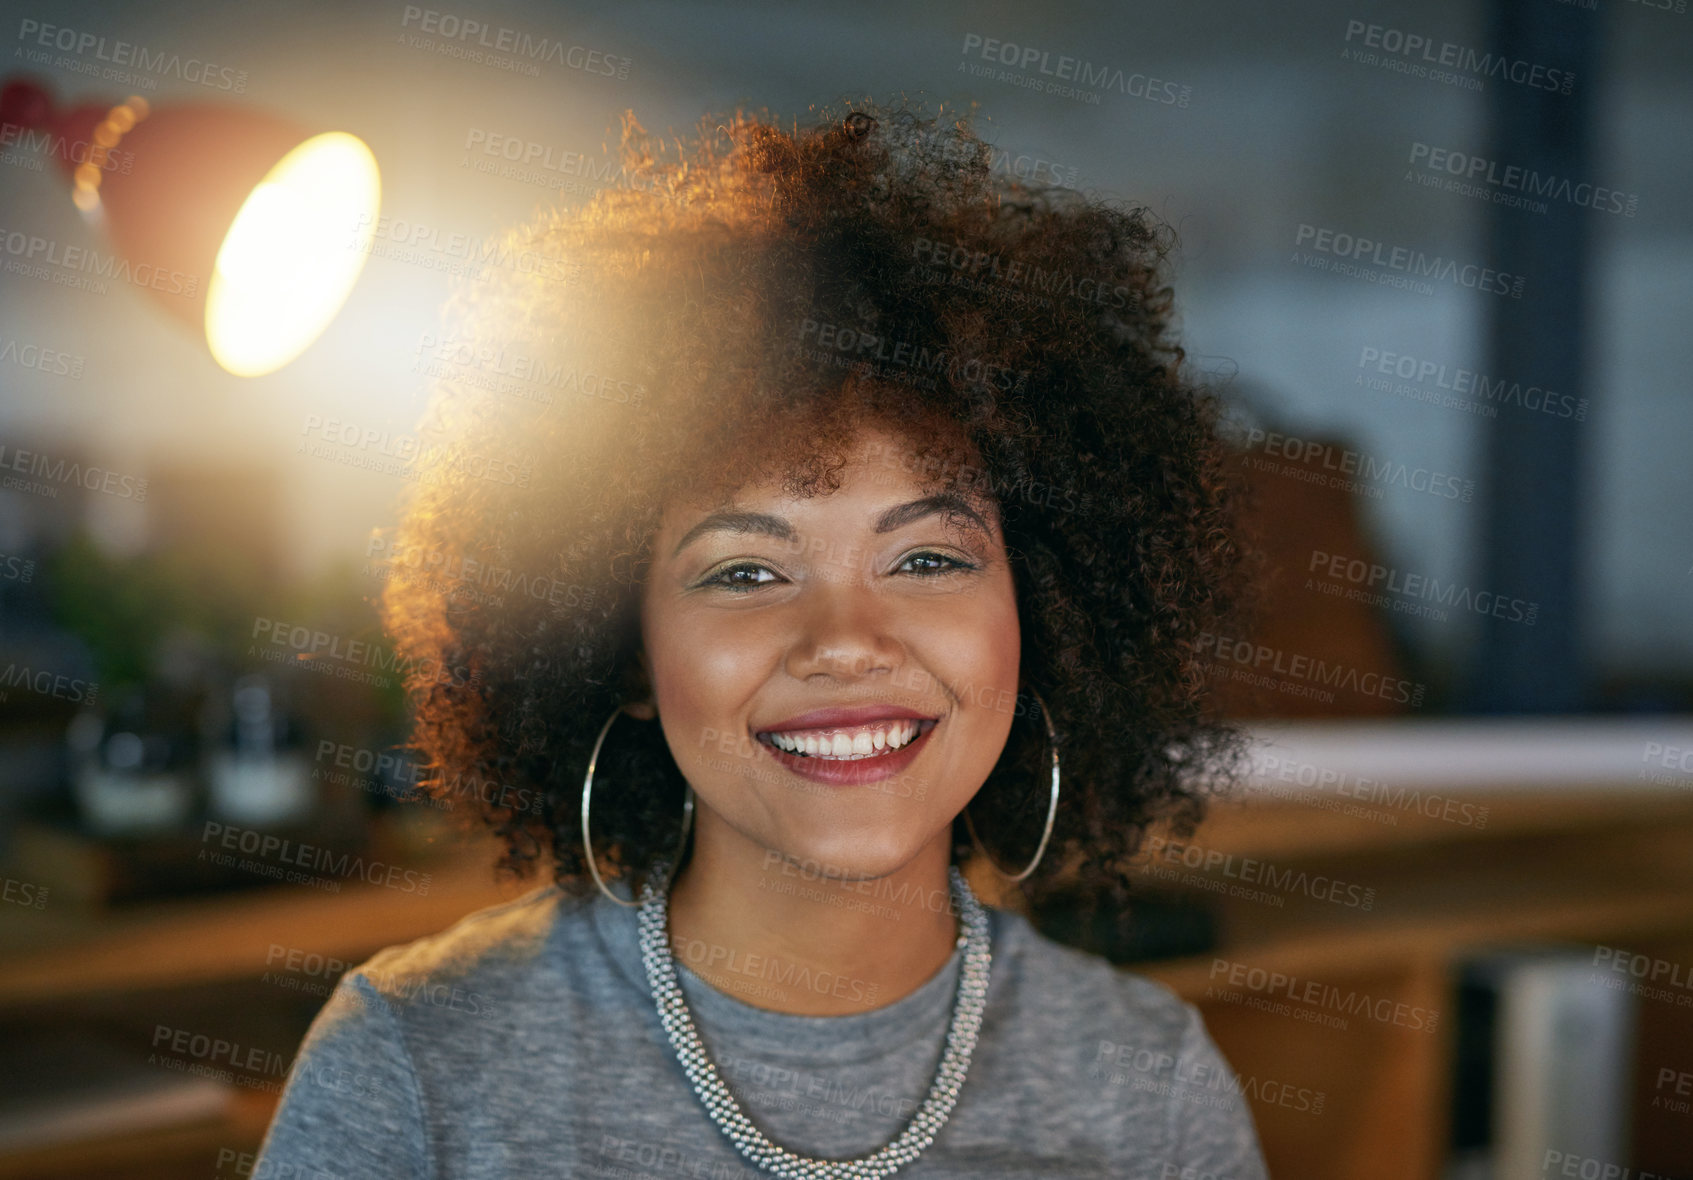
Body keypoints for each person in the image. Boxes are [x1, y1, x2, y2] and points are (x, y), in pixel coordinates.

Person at [253, 100, 1268, 1179]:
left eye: (926, 558)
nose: (844, 640)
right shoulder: (410, 1070)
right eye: (746, 571)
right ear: (622, 649)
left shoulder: (1148, 1088)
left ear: (1047, 612)